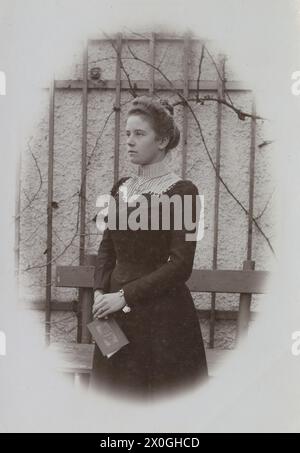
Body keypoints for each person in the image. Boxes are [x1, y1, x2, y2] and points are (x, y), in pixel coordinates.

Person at [89, 95, 208, 401]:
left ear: (163, 140)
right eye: (127, 133)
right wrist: (102, 291)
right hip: (113, 314)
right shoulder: (121, 188)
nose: (130, 141)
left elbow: (181, 265)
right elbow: (107, 247)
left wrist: (123, 296)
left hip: (161, 318)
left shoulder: (184, 192)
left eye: (139, 134)